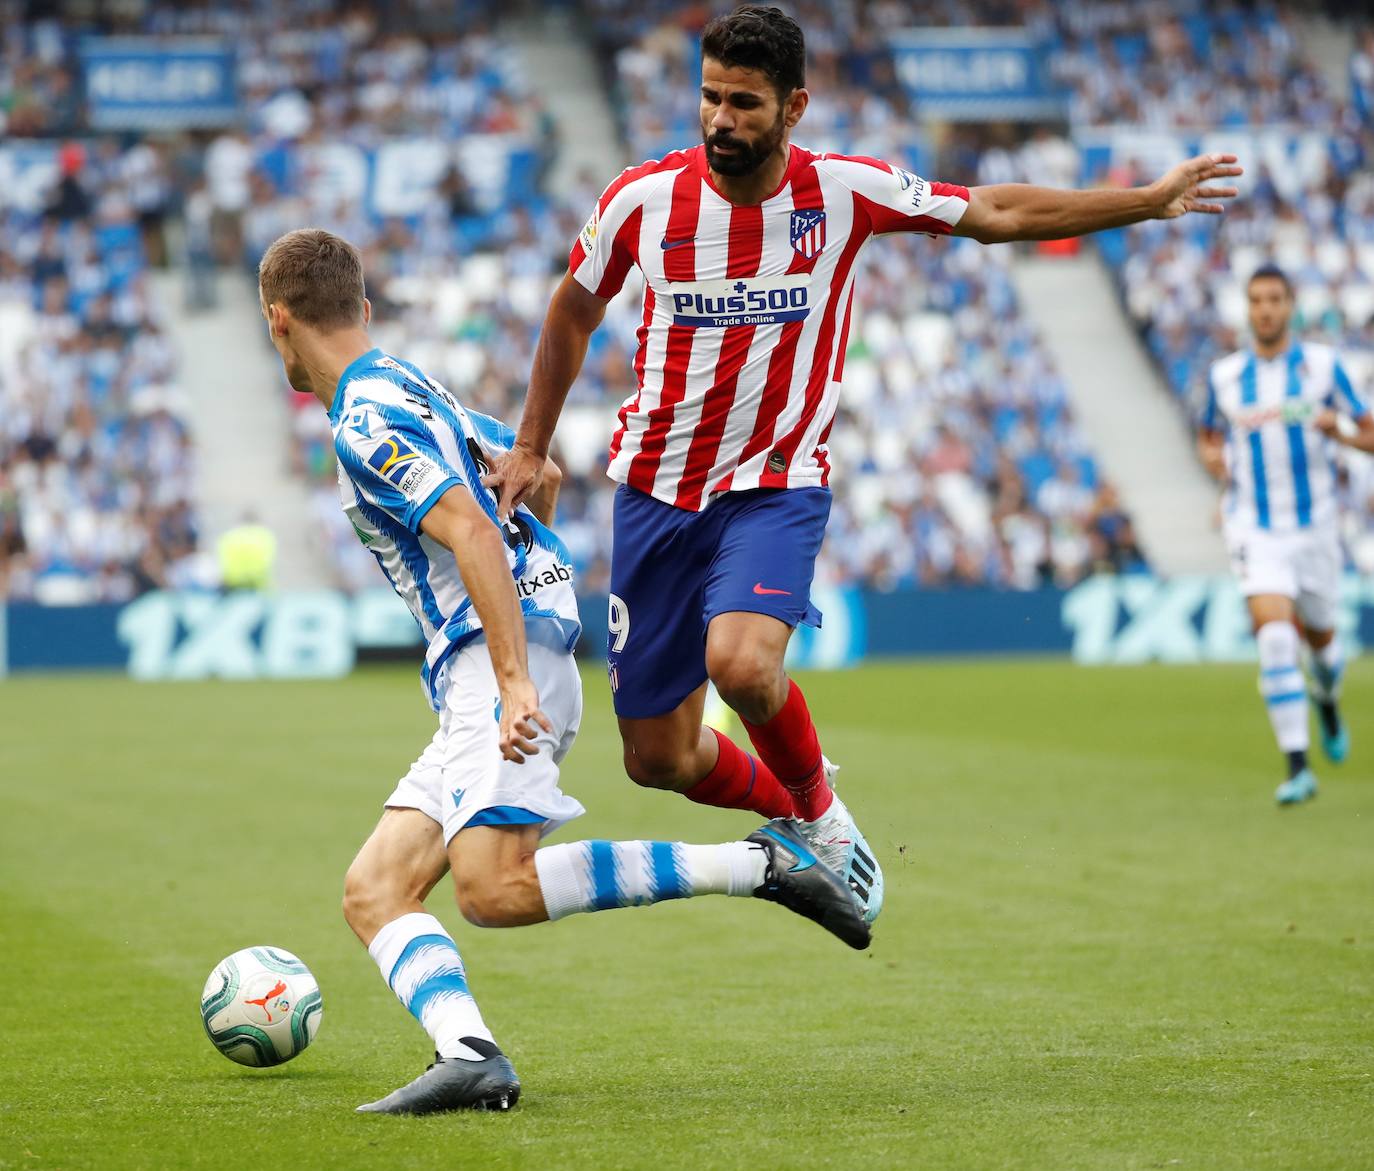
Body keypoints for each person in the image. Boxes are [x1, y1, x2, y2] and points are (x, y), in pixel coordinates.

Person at [486, 5, 1243, 921]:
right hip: (654, 493)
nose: (722, 120)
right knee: (658, 759)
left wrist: (1148, 200)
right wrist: (531, 443)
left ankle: (822, 815)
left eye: (745, 104)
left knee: (744, 666)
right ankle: (793, 818)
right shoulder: (642, 202)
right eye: (711, 98)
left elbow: (994, 211)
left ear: (795, 107)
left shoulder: (843, 192)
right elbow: (573, 310)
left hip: (776, 485)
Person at [256, 228, 869, 1116]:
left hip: (496, 662)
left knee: (494, 888)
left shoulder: (360, 419)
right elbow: (530, 471)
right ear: (364, 307)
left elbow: (469, 526)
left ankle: (762, 864)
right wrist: (532, 580)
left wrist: (511, 679)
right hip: (516, 645)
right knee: (376, 889)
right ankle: (468, 1052)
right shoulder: (408, 382)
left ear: (279, 319)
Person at [1198, 264, 1374, 805]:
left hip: (1316, 526)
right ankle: (1298, 766)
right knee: (1275, 635)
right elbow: (1208, 439)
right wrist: (1219, 468)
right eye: (1256, 300)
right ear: (1247, 309)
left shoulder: (1324, 368)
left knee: (1321, 641)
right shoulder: (1225, 377)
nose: (1265, 309)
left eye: (1274, 299)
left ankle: (1326, 703)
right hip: (1254, 524)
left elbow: (1368, 433)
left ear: (1291, 305)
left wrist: (1338, 430)